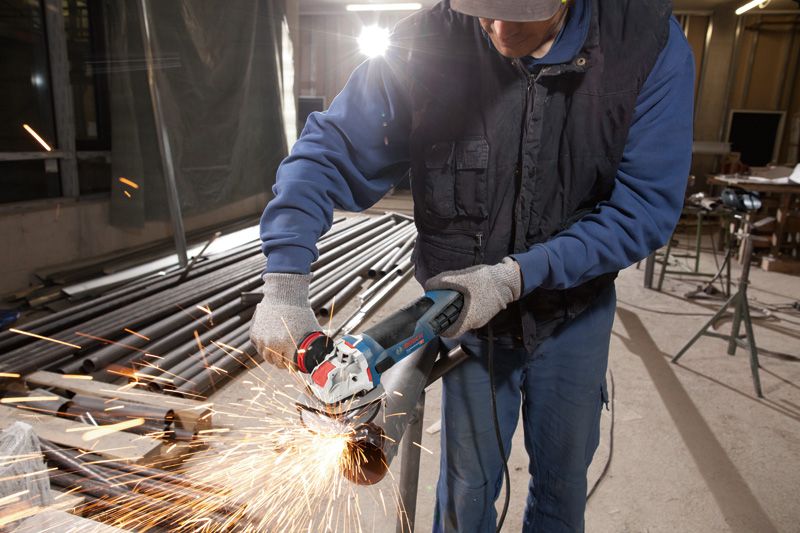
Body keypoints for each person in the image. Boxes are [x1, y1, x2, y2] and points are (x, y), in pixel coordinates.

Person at [250, 0, 694, 530]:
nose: (500, 29)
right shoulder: (427, 42)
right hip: (469, 330)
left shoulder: (644, 45)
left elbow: (643, 209)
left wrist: (516, 276)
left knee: (562, 485)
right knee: (466, 490)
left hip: (573, 314)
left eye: (520, 12)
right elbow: (326, 150)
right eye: (484, 10)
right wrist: (283, 282)